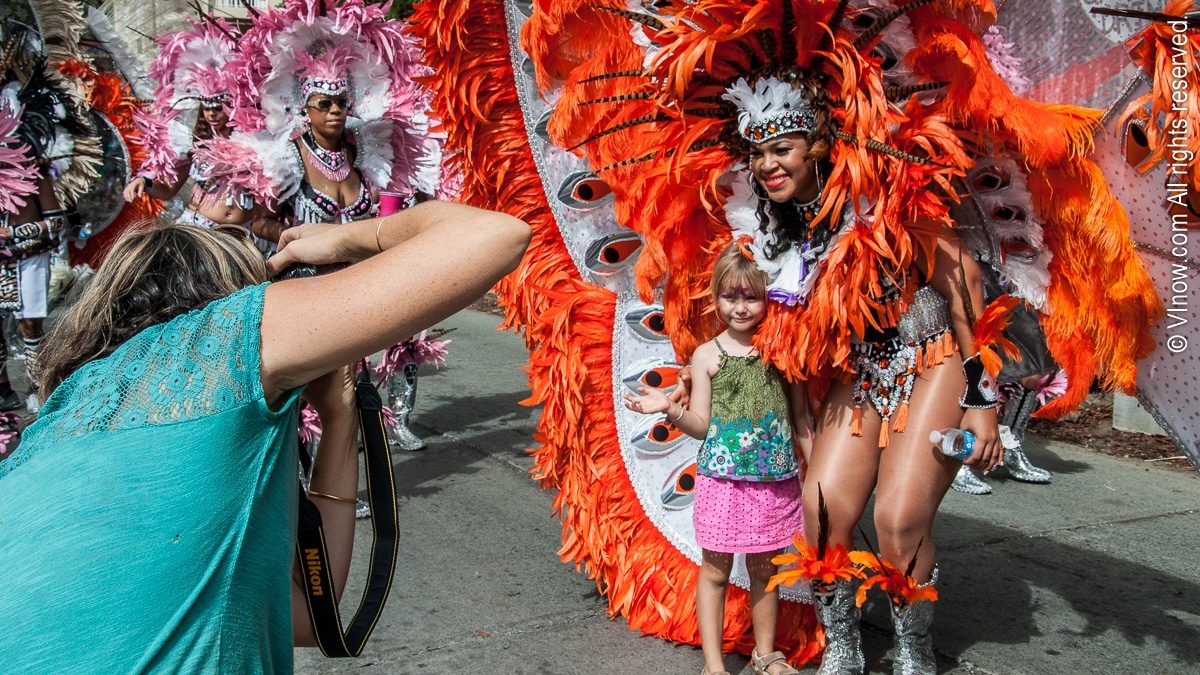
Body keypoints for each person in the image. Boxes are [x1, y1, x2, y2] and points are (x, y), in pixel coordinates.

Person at [0, 202, 531, 672]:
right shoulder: (219, 337)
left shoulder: (56, 423)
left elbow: (302, 618)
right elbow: (494, 234)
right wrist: (345, 238)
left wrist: (341, 419)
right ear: (230, 297)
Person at [624, 242, 811, 675]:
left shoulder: (781, 351)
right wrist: (671, 409)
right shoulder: (707, 355)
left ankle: (766, 654)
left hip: (775, 482)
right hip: (722, 483)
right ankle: (714, 665)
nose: (741, 307)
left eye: (752, 296)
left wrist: (819, 475)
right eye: (731, 296)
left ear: (770, 296)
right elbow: (703, 425)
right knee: (716, 569)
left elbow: (802, 418)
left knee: (767, 570)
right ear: (715, 297)